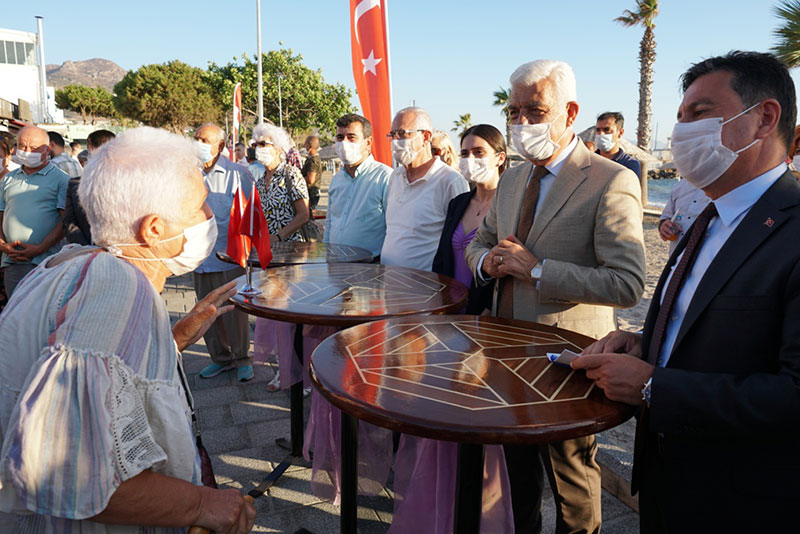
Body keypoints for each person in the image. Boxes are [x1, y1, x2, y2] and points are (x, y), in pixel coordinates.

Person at [576, 50, 800, 534]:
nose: (680, 133)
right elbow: (698, 323)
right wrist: (644, 345)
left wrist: (655, 386)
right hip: (666, 480)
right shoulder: (708, 217)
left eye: (699, 114)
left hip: (745, 501)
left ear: (764, 118)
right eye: (679, 118)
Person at [0, 126, 256, 533]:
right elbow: (61, 473)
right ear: (154, 230)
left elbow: (108, 381)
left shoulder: (72, 260)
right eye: (201, 205)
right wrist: (202, 503)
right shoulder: (118, 286)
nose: (211, 217)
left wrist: (170, 341)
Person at [465, 59, 645, 534]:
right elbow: (480, 242)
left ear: (569, 111)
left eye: (535, 110)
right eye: (515, 110)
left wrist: (540, 270)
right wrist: (487, 263)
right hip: (503, 354)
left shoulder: (610, 180)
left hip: (568, 359)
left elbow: (627, 284)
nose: (522, 122)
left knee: (571, 481)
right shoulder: (511, 178)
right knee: (516, 477)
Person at [390, 124, 512, 533]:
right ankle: (439, 497)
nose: (468, 159)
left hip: (487, 321)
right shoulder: (460, 200)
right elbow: (445, 256)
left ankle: (481, 509)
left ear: (499, 155)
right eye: (464, 151)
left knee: (478, 414)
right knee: (441, 403)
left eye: (478, 151)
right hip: (447, 317)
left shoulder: (513, 201)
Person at [193, 123, 256, 382]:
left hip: (228, 257)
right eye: (196, 138)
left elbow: (251, 216)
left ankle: (242, 358)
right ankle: (220, 359)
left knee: (234, 313)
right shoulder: (187, 173)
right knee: (204, 311)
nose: (198, 143)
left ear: (220, 145)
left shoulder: (238, 173)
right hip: (198, 257)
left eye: (204, 139)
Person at [251, 123, 309, 392]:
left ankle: (303, 375)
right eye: (255, 144)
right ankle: (284, 370)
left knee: (293, 318)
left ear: (278, 147)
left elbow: (304, 214)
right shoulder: (260, 178)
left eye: (264, 144)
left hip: (292, 255)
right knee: (275, 316)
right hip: (268, 256)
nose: (258, 149)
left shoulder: (291, 174)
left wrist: (279, 236)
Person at [381, 107, 469, 270]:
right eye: (392, 135)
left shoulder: (450, 181)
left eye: (402, 133)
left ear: (426, 136)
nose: (395, 141)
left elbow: (461, 242)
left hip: (425, 287)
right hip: (390, 282)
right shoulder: (396, 176)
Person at [0, 125, 70, 296]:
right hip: (13, 261)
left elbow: (66, 221)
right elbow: (1, 214)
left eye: (34, 148)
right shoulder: (8, 179)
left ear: (47, 150)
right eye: (23, 146)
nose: (27, 151)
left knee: (41, 314)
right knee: (15, 314)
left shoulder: (61, 180)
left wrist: (39, 248)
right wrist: (2, 245)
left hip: (46, 262)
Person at [324, 113, 392, 258]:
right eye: (340, 138)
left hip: (371, 267)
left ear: (368, 142)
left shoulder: (384, 177)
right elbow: (330, 222)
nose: (344, 143)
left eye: (351, 137)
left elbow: (393, 227)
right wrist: (326, 255)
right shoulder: (337, 179)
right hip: (337, 264)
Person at [64, 129, 116, 245]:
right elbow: (70, 223)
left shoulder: (128, 182)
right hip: (86, 252)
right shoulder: (74, 184)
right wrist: (87, 249)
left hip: (121, 254)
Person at [658, 178, 709, 254]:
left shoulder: (724, 188)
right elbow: (665, 218)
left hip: (706, 257)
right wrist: (664, 227)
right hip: (676, 257)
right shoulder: (680, 186)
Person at [594, 111, 642, 177]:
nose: (601, 134)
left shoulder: (630, 164)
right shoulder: (589, 161)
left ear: (620, 133)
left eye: (607, 130)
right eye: (598, 130)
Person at [301, 135, 323, 215]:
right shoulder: (311, 159)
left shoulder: (313, 160)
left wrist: (298, 178)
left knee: (308, 216)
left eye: (305, 144)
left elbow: (310, 180)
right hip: (310, 193)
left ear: (310, 146)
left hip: (311, 193)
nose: (303, 145)